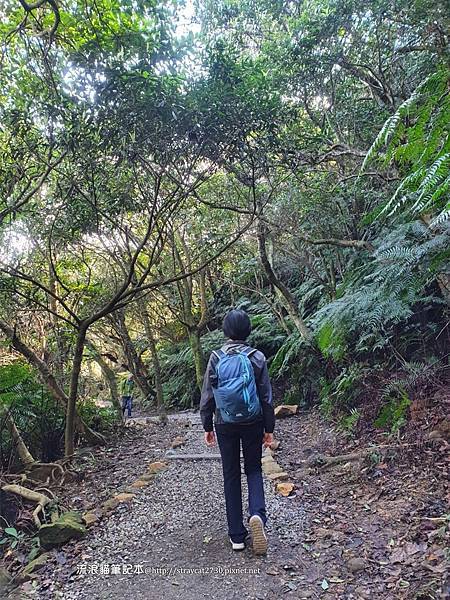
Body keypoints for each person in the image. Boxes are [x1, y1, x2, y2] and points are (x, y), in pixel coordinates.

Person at [200, 309, 275, 555]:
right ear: (248, 330)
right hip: (253, 420)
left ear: (225, 332)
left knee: (230, 474)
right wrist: (269, 428)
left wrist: (207, 425)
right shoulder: (257, 357)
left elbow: (208, 395)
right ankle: (257, 515)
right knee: (253, 468)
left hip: (225, 422)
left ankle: (237, 537)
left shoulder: (216, 357)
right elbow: (265, 396)